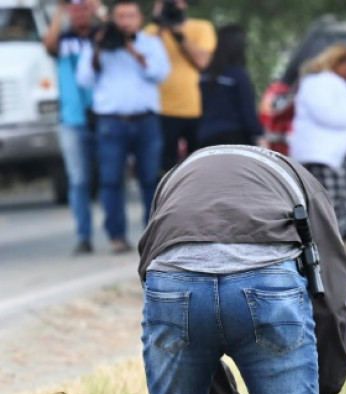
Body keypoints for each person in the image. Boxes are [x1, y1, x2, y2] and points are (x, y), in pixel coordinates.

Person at [138, 144, 346, 394]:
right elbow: (333, 301)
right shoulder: (301, 181)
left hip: (172, 281)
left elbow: (157, 286)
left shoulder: (174, 181)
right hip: (268, 283)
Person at [76, 0, 170, 253]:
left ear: (139, 19)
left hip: (146, 120)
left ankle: (153, 235)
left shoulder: (150, 44)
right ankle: (116, 236)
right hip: (111, 122)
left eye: (130, 16)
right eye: (120, 16)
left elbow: (160, 74)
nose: (125, 21)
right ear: (113, 19)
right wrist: (99, 49)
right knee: (111, 180)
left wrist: (131, 49)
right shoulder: (99, 43)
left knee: (150, 178)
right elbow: (84, 79)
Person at [290, 44, 346, 237]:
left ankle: (330, 248)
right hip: (324, 156)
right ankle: (320, 254)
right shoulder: (317, 82)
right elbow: (328, 114)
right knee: (328, 210)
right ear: (334, 62)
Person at [43, 0, 98, 255]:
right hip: (72, 119)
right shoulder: (63, 41)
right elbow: (48, 44)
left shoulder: (101, 36)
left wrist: (96, 8)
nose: (79, 12)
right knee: (78, 180)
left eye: (83, 8)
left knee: (110, 179)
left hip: (103, 116)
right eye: (74, 10)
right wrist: (61, 9)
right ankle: (83, 235)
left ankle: (117, 233)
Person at [145, 0, 216, 171]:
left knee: (196, 168)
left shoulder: (202, 27)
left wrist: (177, 32)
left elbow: (201, 61)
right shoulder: (151, 31)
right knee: (163, 169)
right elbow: (146, 61)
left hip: (194, 109)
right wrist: (160, 24)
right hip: (160, 110)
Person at [196, 24, 263, 148]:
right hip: (234, 138)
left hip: (205, 137)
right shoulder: (237, 75)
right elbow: (247, 112)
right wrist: (259, 134)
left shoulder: (205, 75)